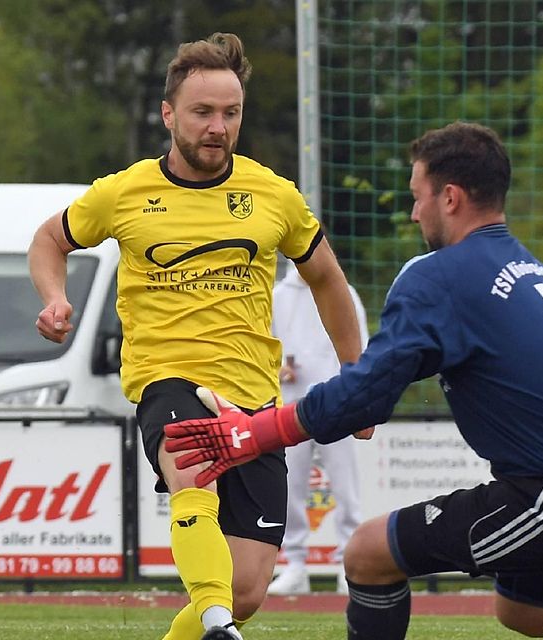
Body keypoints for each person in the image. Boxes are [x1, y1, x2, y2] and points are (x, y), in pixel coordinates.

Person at [165, 121, 543, 640]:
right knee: (526, 611)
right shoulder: (527, 267)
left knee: (365, 553)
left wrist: (253, 433)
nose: (412, 213)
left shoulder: (439, 278)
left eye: (417, 195)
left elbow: (362, 395)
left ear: (449, 198)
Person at [27, 33, 362, 640]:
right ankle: (214, 623)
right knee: (192, 470)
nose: (217, 127)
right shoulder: (124, 193)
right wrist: (55, 298)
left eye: (230, 113)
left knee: (249, 589)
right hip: (168, 377)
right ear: (168, 114)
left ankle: (214, 618)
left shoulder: (274, 195)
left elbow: (328, 282)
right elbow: (49, 240)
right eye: (202, 112)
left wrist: (356, 376)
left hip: (254, 399)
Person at [268, 262, 368, 595]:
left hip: (337, 405)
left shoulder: (345, 293)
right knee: (290, 486)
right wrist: (277, 368)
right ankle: (295, 565)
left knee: (345, 487)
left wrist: (358, 398)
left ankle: (348, 563)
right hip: (291, 406)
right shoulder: (278, 296)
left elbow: (362, 348)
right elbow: (263, 345)